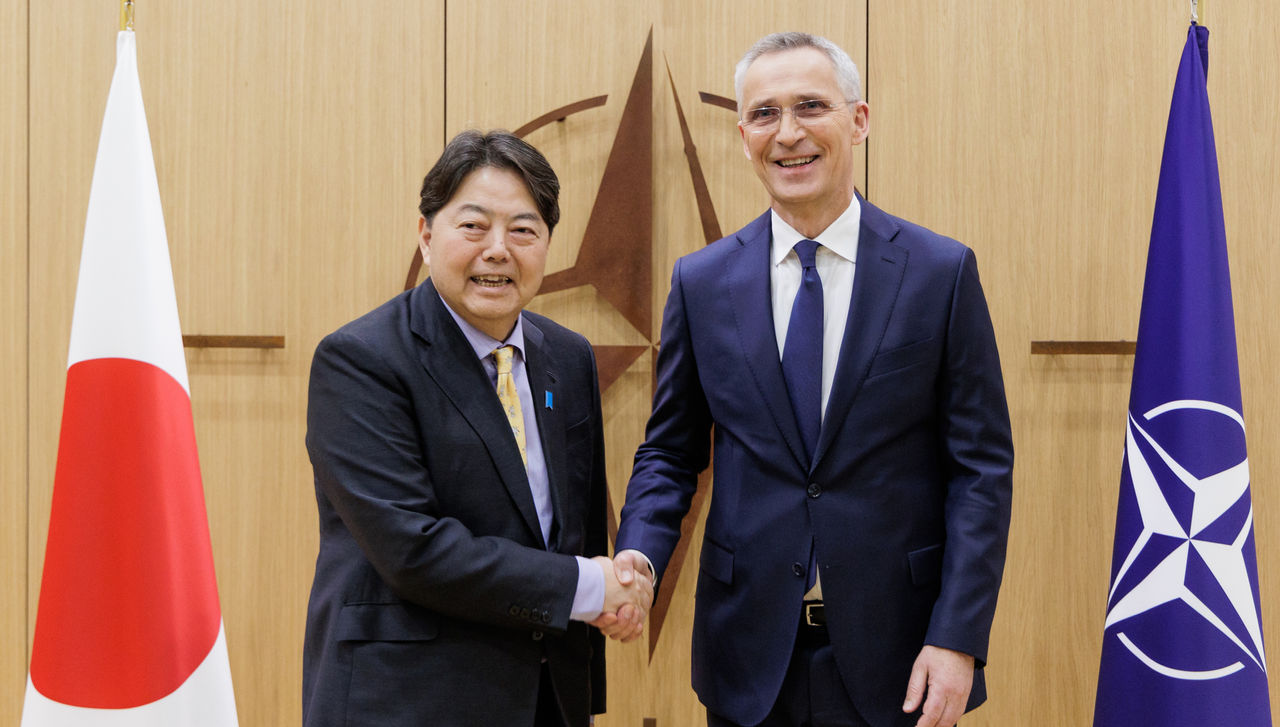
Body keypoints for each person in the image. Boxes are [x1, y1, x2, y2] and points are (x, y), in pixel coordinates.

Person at [608, 32, 1014, 727]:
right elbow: (671, 451)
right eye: (764, 114)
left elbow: (980, 470)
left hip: (902, 658)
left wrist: (957, 636)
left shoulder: (939, 274)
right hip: (748, 656)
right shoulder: (702, 283)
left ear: (858, 120)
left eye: (810, 107)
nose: (787, 133)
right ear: (742, 136)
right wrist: (639, 556)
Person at [302, 130, 651, 727]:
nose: (498, 250)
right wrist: (587, 589)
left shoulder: (566, 356)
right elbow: (413, 549)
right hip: (407, 699)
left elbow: (576, 529)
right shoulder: (361, 359)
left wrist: (606, 605)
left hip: (546, 698)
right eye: (473, 226)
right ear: (426, 234)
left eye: (523, 230)